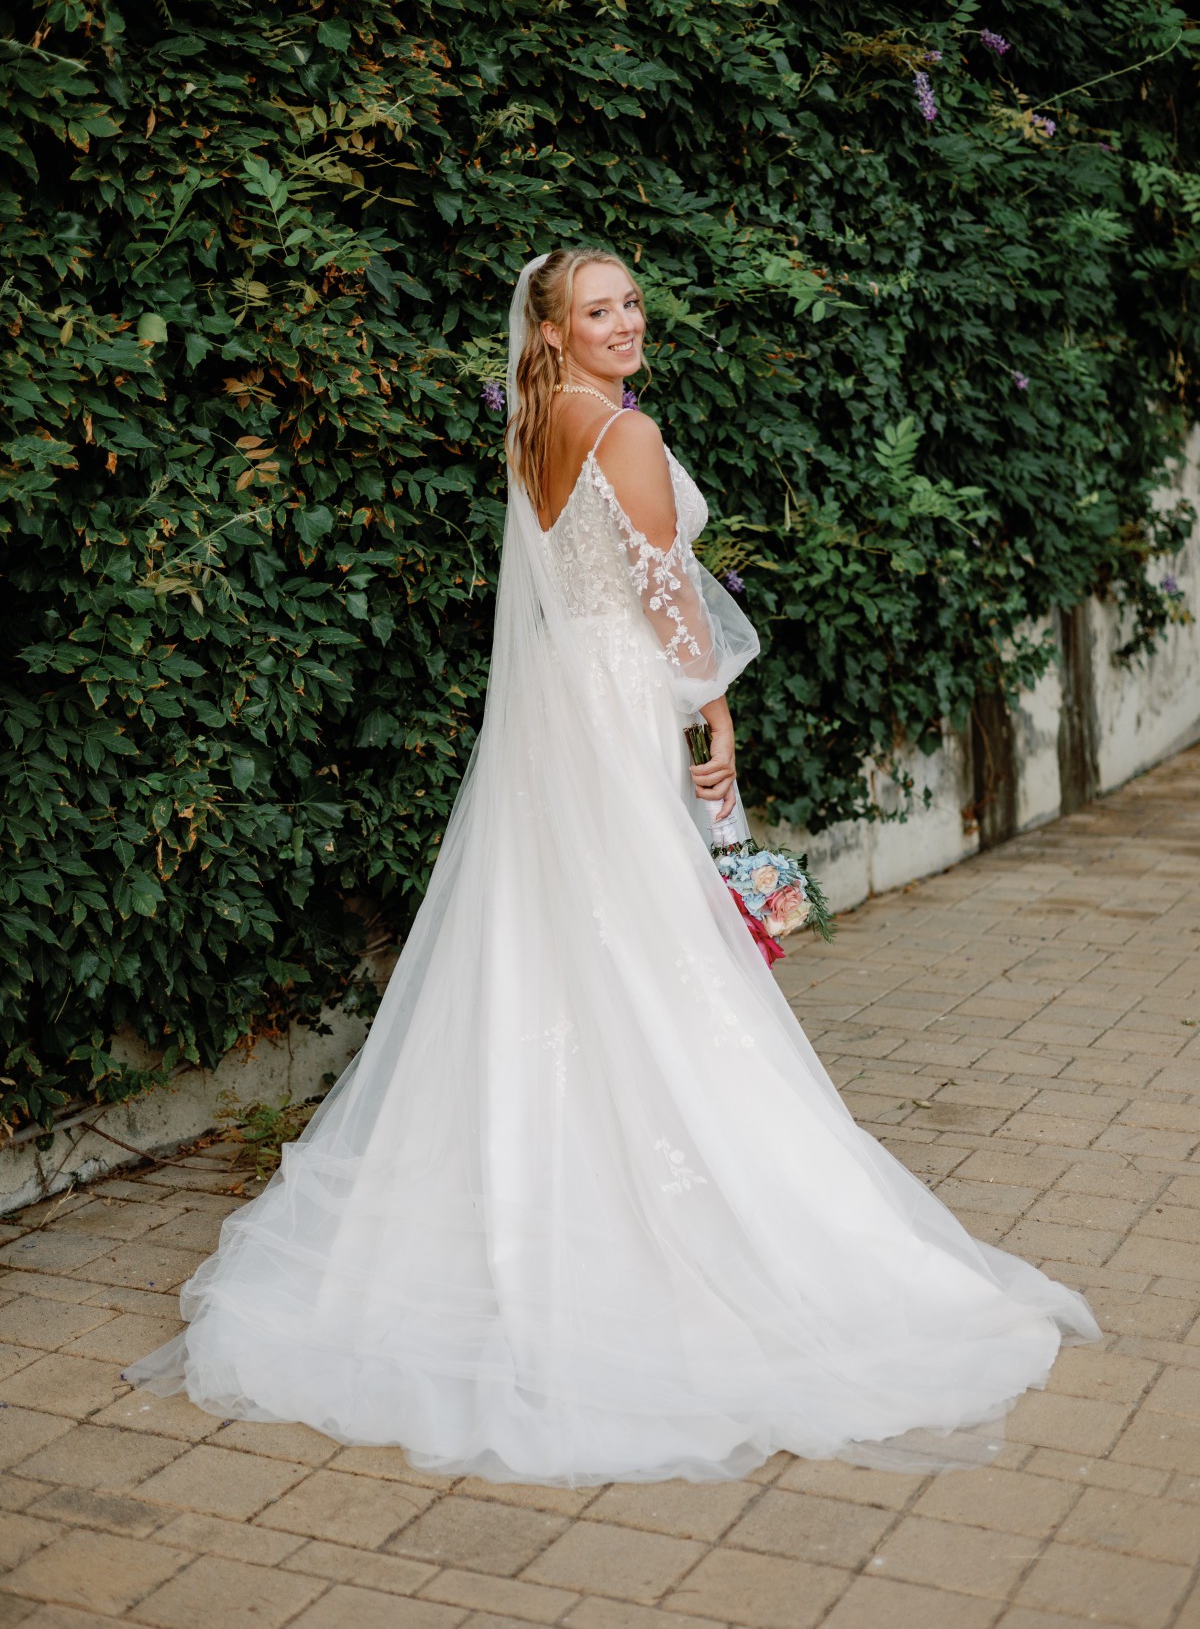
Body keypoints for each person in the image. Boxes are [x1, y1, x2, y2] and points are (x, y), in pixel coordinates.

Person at [124, 245, 1101, 1485]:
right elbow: (666, 597)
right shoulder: (623, 435)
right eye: (600, 309)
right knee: (646, 944)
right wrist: (717, 720)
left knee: (552, 935)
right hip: (621, 702)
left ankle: (536, 1174)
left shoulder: (537, 424)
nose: (627, 319)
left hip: (555, 719)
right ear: (554, 327)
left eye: (633, 300)